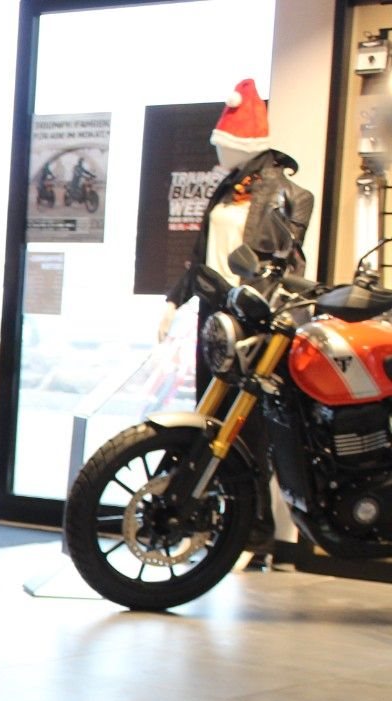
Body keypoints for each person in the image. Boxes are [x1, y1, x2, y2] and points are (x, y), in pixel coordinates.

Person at [159, 79, 315, 565]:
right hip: (216, 318)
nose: (217, 151)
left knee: (250, 430)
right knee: (207, 422)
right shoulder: (224, 190)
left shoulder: (290, 195)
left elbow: (279, 261)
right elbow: (199, 256)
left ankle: (254, 534)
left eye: (223, 143)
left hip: (255, 321)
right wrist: (174, 302)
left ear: (244, 143)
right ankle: (205, 522)